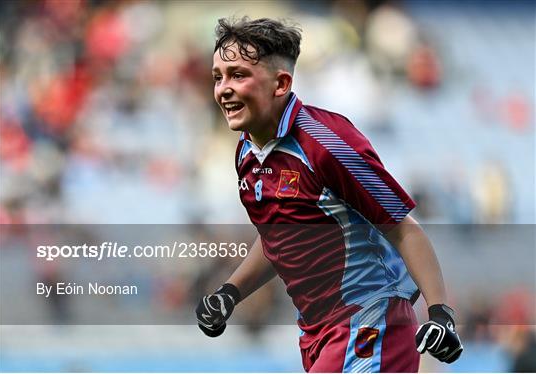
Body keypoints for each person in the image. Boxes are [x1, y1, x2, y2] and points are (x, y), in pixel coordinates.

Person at [196, 17, 462, 372]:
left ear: (281, 83)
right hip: (318, 335)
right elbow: (281, 236)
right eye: (218, 77)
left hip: (370, 321)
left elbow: (402, 227)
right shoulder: (246, 155)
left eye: (238, 75)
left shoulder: (326, 144)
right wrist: (230, 292)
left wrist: (440, 312)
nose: (224, 89)